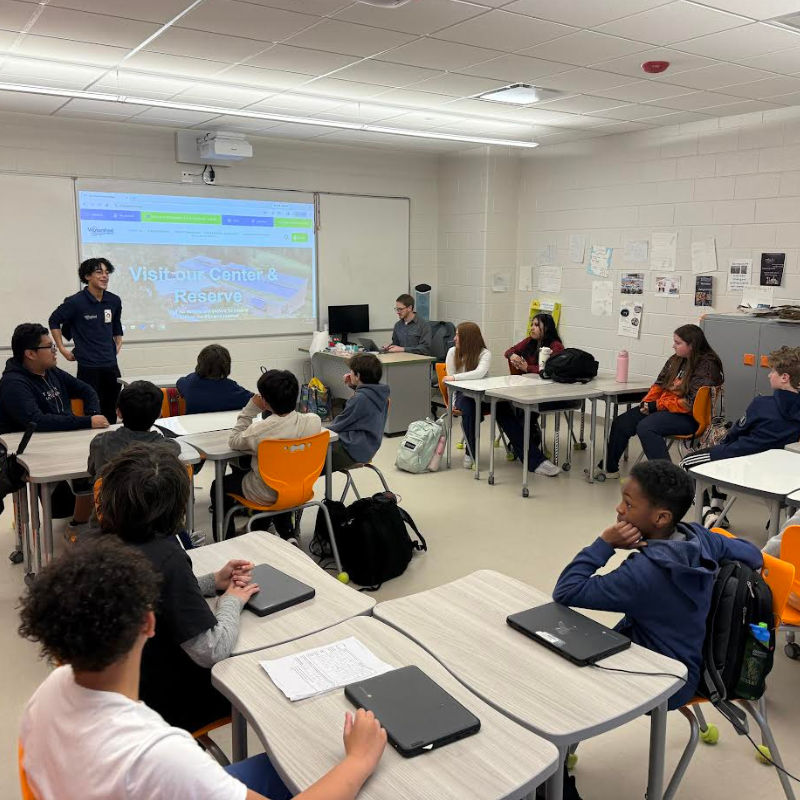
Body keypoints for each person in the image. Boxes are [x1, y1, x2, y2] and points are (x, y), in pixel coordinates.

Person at [18, 538, 388, 800]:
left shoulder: (48, 694)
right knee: (316, 767)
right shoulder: (160, 753)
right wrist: (358, 761)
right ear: (150, 623)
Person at [554, 460, 762, 711]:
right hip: (689, 669)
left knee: (559, 667)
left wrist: (605, 543)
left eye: (629, 504)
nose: (619, 509)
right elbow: (754, 554)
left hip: (659, 682)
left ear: (661, 518)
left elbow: (566, 590)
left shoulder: (643, 575)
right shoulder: (698, 536)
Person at [97, 444, 258, 732]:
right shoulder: (168, 557)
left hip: (117, 689)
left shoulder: (97, 542)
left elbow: (152, 594)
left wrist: (212, 582)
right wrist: (231, 600)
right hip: (165, 704)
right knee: (255, 672)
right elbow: (211, 650)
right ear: (177, 506)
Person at [0, 322, 107, 526]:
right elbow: (37, 420)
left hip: (63, 439)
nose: (55, 351)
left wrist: (93, 414)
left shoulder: (52, 372)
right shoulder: (13, 384)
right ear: (30, 354)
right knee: (66, 504)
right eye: (49, 347)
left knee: (94, 465)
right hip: (33, 453)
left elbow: (87, 390)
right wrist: (86, 421)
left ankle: (82, 514)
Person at [680, 346, 800, 527]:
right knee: (718, 453)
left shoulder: (761, 404)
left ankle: (706, 512)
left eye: (772, 371)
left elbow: (736, 433)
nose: (769, 375)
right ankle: (719, 509)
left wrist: (722, 444)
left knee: (686, 463)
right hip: (775, 471)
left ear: (785, 378)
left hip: (743, 461)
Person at [598, 324, 723, 479]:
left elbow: (689, 403)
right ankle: (610, 468)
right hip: (665, 408)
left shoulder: (707, 366)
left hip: (690, 417)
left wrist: (656, 406)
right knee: (622, 422)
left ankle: (668, 479)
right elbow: (659, 384)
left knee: (646, 427)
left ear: (692, 345)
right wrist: (647, 403)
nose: (673, 346)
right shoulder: (676, 359)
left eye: (678, 343)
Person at [221, 369, 322, 542]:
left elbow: (234, 440)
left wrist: (250, 409)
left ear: (265, 402)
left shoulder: (258, 432)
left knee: (219, 486)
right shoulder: (314, 421)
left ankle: (229, 541)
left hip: (266, 493)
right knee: (281, 473)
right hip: (299, 488)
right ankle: (285, 532)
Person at [49, 257, 123, 424]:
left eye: (106, 272)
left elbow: (116, 323)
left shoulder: (114, 300)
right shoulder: (75, 302)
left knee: (111, 410)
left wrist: (118, 343)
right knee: (92, 412)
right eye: (99, 272)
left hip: (111, 365)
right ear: (87, 276)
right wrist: (62, 349)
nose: (104, 276)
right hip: (88, 367)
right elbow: (54, 320)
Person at [496, 314, 564, 477]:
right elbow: (509, 351)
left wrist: (528, 368)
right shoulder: (529, 342)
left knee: (523, 414)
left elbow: (549, 370)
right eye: (531, 324)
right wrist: (512, 355)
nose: (531, 328)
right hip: (526, 388)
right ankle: (534, 456)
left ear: (545, 328)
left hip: (548, 392)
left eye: (535, 325)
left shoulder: (556, 346)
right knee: (503, 406)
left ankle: (532, 454)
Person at [328, 353, 390, 471]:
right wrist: (355, 386)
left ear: (358, 375)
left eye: (351, 371)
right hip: (368, 446)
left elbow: (337, 426)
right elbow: (366, 400)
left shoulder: (359, 399)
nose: (349, 374)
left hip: (353, 449)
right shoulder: (381, 394)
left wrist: (319, 432)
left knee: (312, 457)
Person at [442, 322, 491, 469]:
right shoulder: (452, 352)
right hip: (461, 393)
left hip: (483, 394)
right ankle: (471, 452)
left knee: (504, 405)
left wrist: (457, 377)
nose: (455, 338)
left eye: (458, 335)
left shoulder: (484, 353)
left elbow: (479, 373)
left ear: (468, 338)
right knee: (470, 408)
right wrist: (455, 379)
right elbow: (451, 380)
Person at [177, 344, 253, 414]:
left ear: (200, 363)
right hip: (226, 427)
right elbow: (255, 400)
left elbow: (179, 382)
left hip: (192, 427)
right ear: (226, 366)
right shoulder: (231, 388)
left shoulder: (189, 382)